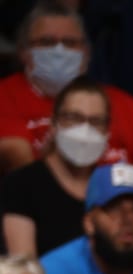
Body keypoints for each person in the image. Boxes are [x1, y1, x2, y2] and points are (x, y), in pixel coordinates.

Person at [0, 3, 133, 197]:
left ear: (86, 54)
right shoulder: (5, 95)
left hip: (126, 213)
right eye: (47, 42)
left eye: (69, 43)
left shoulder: (121, 102)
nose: (59, 52)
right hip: (49, 211)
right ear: (24, 52)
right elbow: (19, 162)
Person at [0, 77, 109, 260]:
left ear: (107, 131)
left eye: (95, 121)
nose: (84, 130)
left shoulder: (111, 188)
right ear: (53, 124)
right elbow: (25, 270)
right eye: (73, 118)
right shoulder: (21, 185)